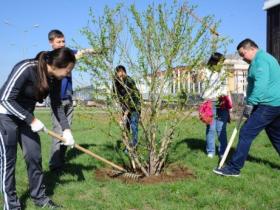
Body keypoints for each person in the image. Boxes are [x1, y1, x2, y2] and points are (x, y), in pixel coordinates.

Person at [0, 47, 76, 209]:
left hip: (26, 119)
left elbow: (56, 105)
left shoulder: (55, 79)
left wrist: (66, 130)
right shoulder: (26, 68)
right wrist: (32, 119)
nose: (69, 74)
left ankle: (39, 197)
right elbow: (5, 99)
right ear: (56, 64)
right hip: (5, 116)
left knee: (34, 156)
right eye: (68, 70)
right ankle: (11, 205)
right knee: (9, 161)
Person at [213, 38, 280, 177]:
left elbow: (261, 85)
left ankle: (234, 168)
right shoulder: (261, 59)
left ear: (251, 49)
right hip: (273, 104)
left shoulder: (261, 61)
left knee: (245, 133)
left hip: (267, 104)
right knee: (276, 136)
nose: (243, 58)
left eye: (243, 54)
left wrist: (251, 103)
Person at [48, 29, 94, 172]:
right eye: (58, 42)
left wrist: (93, 50)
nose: (62, 44)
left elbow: (82, 51)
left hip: (69, 98)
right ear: (51, 43)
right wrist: (75, 58)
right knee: (58, 131)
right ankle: (54, 164)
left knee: (67, 132)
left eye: (63, 41)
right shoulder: (50, 58)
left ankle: (62, 160)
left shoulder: (67, 52)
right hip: (57, 100)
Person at [203, 52, 231, 158]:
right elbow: (204, 86)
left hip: (222, 101)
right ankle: (210, 151)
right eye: (220, 62)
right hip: (210, 101)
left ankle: (223, 152)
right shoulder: (205, 71)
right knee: (211, 128)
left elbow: (226, 87)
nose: (221, 64)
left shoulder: (223, 71)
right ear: (214, 62)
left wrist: (228, 102)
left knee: (221, 128)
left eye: (222, 62)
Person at [113, 65, 141, 148]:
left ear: (124, 72)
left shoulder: (129, 81)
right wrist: (120, 113)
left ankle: (134, 146)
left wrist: (125, 115)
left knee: (133, 126)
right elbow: (115, 95)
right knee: (126, 127)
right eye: (118, 75)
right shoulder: (116, 82)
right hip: (124, 107)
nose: (121, 77)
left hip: (134, 106)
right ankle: (128, 147)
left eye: (122, 74)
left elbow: (131, 100)